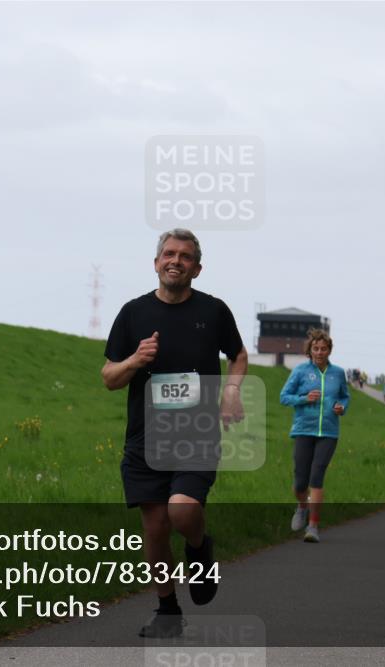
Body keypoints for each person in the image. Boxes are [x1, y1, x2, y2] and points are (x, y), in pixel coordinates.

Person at [102, 229, 247, 638]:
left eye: (185, 256)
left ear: (196, 268)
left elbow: (237, 355)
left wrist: (232, 391)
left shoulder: (214, 311)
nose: (175, 260)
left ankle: (200, 548)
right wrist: (135, 358)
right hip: (145, 439)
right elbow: (109, 377)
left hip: (197, 434)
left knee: (181, 511)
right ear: (156, 263)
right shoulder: (133, 313)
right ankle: (167, 609)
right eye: (169, 253)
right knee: (155, 528)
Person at [280, 329, 350, 543]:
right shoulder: (300, 371)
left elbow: (345, 397)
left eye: (324, 349)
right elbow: (284, 397)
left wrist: (341, 408)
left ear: (330, 350)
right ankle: (302, 506)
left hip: (328, 432)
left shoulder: (338, 373)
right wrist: (304, 398)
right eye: (316, 348)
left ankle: (313, 527)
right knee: (300, 482)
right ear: (309, 350)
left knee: (316, 477)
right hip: (303, 430)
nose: (320, 352)